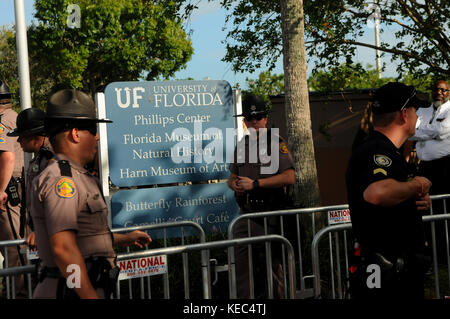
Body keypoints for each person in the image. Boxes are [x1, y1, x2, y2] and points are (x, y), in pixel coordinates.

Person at [31, 88, 151, 299]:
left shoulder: (80, 176)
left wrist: (124, 239)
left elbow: (83, 236)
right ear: (75, 133)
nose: (97, 137)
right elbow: (64, 249)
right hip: (70, 292)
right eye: (92, 130)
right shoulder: (63, 181)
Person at [346, 82, 431, 299]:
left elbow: (390, 194)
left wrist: (414, 198)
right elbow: (377, 193)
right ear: (404, 114)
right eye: (414, 110)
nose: (417, 116)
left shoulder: (389, 153)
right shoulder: (376, 150)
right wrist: (417, 185)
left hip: (399, 271)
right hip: (386, 275)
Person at [228, 94, 295, 298]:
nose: (254, 122)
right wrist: (235, 185)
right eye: (250, 118)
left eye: (258, 117)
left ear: (265, 119)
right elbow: (231, 176)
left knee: (277, 272)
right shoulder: (241, 145)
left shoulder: (276, 143)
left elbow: (290, 177)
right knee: (240, 272)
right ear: (244, 121)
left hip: (272, 215)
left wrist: (256, 184)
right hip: (246, 215)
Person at [7, 108, 54, 250]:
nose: (18, 140)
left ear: (35, 138)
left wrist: (42, 231)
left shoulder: (51, 159)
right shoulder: (39, 159)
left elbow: (54, 202)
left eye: (22, 136)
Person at [0, 79, 25, 295]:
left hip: (8, 192)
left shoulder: (3, 121)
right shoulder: (13, 116)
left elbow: (7, 157)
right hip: (14, 187)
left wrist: (0, 190)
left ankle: (16, 292)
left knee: (12, 246)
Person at [409, 80, 450, 196]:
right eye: (436, 89)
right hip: (423, 167)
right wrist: (434, 134)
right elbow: (409, 133)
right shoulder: (421, 111)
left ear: (449, 92)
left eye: (443, 90)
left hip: (445, 166)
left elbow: (442, 131)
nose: (439, 93)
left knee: (444, 201)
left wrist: (420, 129)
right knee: (425, 200)